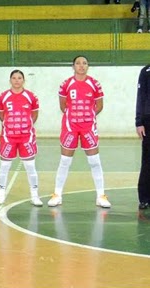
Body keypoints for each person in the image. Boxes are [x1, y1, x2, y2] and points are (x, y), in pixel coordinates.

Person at [47, 56, 111, 208]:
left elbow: (99, 105)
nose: (81, 66)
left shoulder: (94, 84)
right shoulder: (66, 84)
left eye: (84, 63)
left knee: (94, 161)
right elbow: (63, 106)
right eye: (78, 63)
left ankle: (101, 196)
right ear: (73, 66)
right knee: (65, 161)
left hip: (88, 127)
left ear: (88, 66)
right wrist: (74, 118)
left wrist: (87, 117)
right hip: (70, 127)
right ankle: (57, 194)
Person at [0, 70, 43, 207]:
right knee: (4, 165)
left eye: (19, 78)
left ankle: (34, 195)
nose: (17, 80)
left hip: (26, 137)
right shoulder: (3, 97)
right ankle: (1, 194)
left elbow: (34, 114)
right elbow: (1, 115)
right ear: (10, 80)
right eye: (14, 78)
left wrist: (25, 126)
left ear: (23, 80)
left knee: (30, 166)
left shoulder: (31, 96)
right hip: (8, 137)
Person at [135, 64, 150, 210]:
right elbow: (141, 97)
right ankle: (144, 198)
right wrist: (139, 122)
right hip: (148, 119)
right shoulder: (146, 71)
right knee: (147, 160)